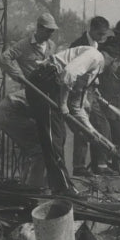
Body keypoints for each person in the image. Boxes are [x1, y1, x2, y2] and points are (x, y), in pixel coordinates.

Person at [25, 43, 108, 196]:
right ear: (113, 59)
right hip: (45, 82)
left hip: (51, 85)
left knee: (59, 136)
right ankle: (62, 188)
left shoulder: (91, 73)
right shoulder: (95, 56)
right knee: (53, 138)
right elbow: (69, 73)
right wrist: (63, 103)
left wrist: (92, 132)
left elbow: (76, 107)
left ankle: (57, 185)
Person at [0, 13, 59, 189]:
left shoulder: (52, 46)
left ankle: (33, 183)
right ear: (39, 28)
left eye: (52, 31)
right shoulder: (24, 44)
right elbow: (4, 58)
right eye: (47, 30)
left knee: (44, 141)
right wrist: (18, 75)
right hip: (32, 89)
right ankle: (32, 187)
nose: (50, 34)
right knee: (37, 146)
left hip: (46, 91)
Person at [70, 17, 112, 175]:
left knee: (102, 125)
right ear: (92, 29)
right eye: (100, 33)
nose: (102, 37)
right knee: (82, 128)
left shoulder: (97, 45)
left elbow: (93, 69)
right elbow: (73, 72)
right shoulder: (78, 44)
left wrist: (95, 85)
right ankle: (79, 167)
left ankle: (100, 165)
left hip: (91, 91)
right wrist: (82, 92)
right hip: (78, 92)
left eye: (104, 34)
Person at [94, 19, 120, 174]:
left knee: (119, 138)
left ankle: (116, 168)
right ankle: (99, 167)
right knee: (102, 135)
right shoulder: (104, 49)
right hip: (103, 100)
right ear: (116, 34)